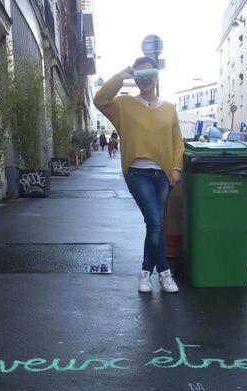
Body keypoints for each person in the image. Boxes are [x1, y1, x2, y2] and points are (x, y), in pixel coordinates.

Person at [94, 56, 184, 294]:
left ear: (156, 76)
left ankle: (145, 274)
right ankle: (164, 273)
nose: (145, 79)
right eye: (140, 75)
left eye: (149, 74)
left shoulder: (169, 108)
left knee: (153, 226)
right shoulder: (124, 106)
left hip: (163, 175)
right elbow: (100, 100)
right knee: (155, 222)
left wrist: (176, 168)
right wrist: (119, 77)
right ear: (136, 78)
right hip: (138, 174)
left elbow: (178, 142)